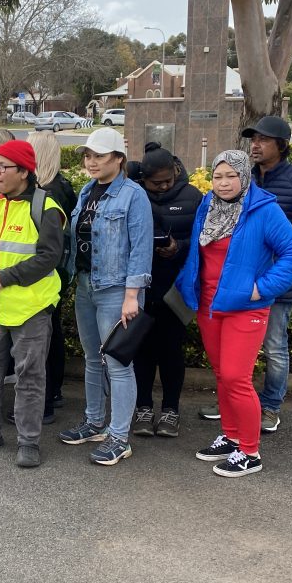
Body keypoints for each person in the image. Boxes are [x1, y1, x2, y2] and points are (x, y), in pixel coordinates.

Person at [201, 116, 292, 434]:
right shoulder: (245, 179)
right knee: (231, 356)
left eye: (264, 140)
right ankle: (237, 402)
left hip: (273, 285)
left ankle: (270, 407)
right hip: (237, 285)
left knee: (274, 346)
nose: (256, 145)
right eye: (253, 139)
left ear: (283, 145)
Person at [175, 150, 292, 478]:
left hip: (246, 307)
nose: (223, 182)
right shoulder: (208, 205)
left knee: (236, 377)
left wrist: (261, 288)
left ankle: (249, 452)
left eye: (231, 175)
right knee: (222, 375)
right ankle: (231, 437)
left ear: (244, 175)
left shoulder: (264, 209)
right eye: (218, 176)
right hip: (209, 305)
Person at [0, 139, 66, 468]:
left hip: (29, 310)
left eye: (3, 167)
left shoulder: (45, 207)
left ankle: (29, 441)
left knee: (30, 376)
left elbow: (49, 258)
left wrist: (4, 278)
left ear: (24, 172)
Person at [58, 127, 153, 465]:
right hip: (86, 285)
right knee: (91, 358)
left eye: (99, 156)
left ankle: (118, 436)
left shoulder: (133, 195)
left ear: (118, 158)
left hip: (116, 291)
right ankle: (95, 421)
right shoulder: (86, 192)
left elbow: (141, 249)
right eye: (88, 155)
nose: (91, 161)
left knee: (117, 363)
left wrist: (132, 295)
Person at [129, 143, 203, 439]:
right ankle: (143, 408)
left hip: (175, 287)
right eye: (155, 183)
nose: (163, 187)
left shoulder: (193, 197)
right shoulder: (134, 195)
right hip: (142, 287)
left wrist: (178, 248)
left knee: (172, 351)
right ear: (143, 178)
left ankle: (171, 410)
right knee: (142, 351)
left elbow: (201, 242)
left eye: (168, 181)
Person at [29, 130, 75, 419]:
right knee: (52, 332)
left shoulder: (49, 193)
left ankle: (45, 399)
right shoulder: (59, 186)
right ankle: (53, 392)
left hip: (47, 274)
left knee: (44, 336)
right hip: (58, 273)